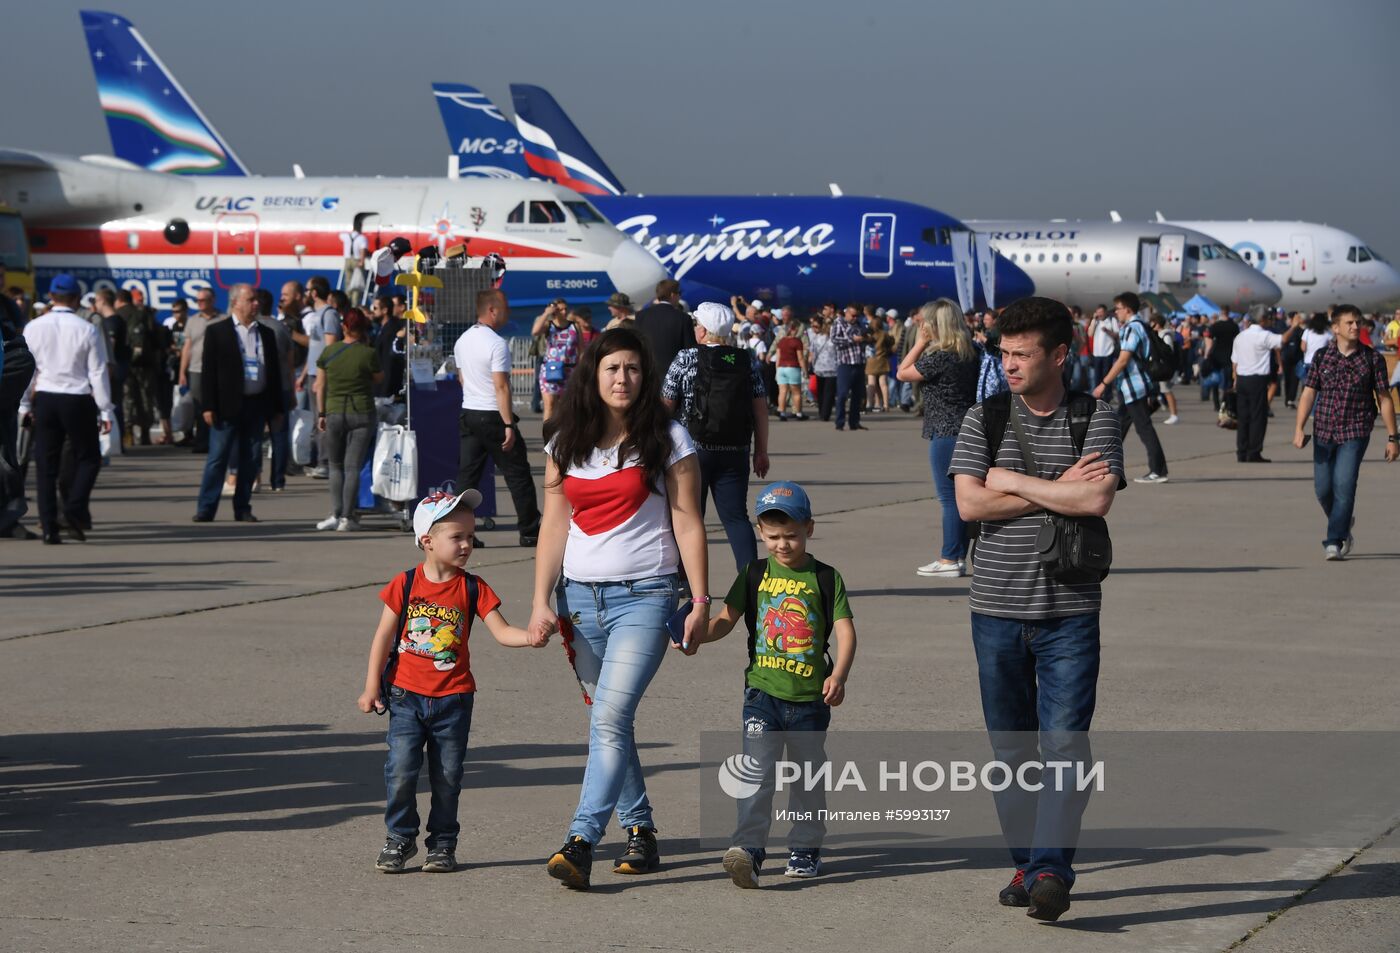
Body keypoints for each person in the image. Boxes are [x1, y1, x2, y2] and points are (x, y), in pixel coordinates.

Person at [951, 295, 1124, 923]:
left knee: (1066, 746)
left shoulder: (1096, 416)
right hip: (995, 610)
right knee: (1011, 754)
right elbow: (969, 505)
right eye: (1004, 353)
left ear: (1059, 354)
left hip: (1070, 612)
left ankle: (1051, 869)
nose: (1010, 365)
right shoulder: (985, 417)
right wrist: (1057, 489)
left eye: (1023, 354)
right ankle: (1026, 863)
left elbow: (1096, 499)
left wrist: (1011, 481)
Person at [528, 326, 710, 891]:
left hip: (647, 597)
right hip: (580, 602)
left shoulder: (668, 438)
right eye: (612, 368)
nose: (622, 378)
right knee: (610, 719)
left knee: (608, 718)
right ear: (594, 375)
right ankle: (641, 831)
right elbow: (553, 526)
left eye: (632, 368)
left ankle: (580, 840)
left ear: (644, 375)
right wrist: (539, 599)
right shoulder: (565, 441)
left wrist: (700, 599)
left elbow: (688, 521)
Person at [356, 489, 547, 874]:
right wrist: (371, 685)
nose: (467, 545)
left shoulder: (473, 587)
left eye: (470, 536)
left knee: (447, 777)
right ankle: (399, 838)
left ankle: (442, 844)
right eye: (457, 536)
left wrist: (529, 637)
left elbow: (502, 631)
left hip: (454, 700)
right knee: (400, 771)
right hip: (406, 696)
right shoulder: (405, 583)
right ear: (427, 540)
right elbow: (383, 636)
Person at [688, 480, 857, 886]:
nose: (783, 544)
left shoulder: (825, 577)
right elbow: (725, 620)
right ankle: (748, 850)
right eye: (774, 536)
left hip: (810, 701)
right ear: (760, 532)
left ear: (809, 528)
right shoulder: (754, 574)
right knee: (757, 774)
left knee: (806, 779)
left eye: (792, 535)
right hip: (761, 695)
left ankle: (805, 846)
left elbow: (846, 631)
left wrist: (839, 675)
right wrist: (697, 635)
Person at [662, 302, 771, 571]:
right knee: (736, 518)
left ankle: (686, 581)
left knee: (689, 517)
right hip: (735, 450)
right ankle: (750, 579)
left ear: (703, 330)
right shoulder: (745, 360)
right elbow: (760, 410)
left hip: (691, 451)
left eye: (697, 324)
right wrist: (761, 451)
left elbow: (666, 404)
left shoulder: (686, 358)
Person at [1292, 304, 1398, 560]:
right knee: (1322, 490)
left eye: (1357, 322)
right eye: (1349, 323)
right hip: (1324, 430)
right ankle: (1343, 522)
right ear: (1336, 328)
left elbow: (1384, 398)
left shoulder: (1372, 358)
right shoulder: (1322, 357)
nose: (1355, 326)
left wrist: (1393, 437)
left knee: (1344, 484)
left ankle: (1334, 541)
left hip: (1356, 429)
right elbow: (1308, 393)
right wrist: (1299, 428)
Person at [17, 274, 114, 544]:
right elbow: (97, 372)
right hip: (77, 397)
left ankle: (49, 527)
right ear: (76, 299)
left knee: (46, 464)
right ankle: (73, 507)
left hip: (46, 396)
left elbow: (27, 369)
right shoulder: (86, 328)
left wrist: (24, 404)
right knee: (89, 457)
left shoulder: (34, 327)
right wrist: (105, 409)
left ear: (51, 296)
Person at [897, 299, 980, 577]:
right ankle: (957, 556)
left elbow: (902, 372)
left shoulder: (941, 356)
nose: (922, 327)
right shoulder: (969, 352)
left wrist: (920, 343)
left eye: (925, 323)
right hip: (968, 427)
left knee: (949, 498)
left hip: (945, 432)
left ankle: (949, 559)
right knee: (963, 496)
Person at [453, 289, 542, 547]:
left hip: (469, 412)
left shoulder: (462, 341)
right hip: (493, 414)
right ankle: (529, 530)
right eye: (505, 308)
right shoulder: (496, 343)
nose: (508, 313)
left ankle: (458, 532)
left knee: (467, 477)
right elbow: (501, 386)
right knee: (517, 474)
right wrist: (508, 424)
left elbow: (462, 379)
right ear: (492, 311)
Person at [192, 284, 284, 523]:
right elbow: (208, 372)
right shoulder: (218, 331)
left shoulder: (266, 333)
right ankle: (206, 508)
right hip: (226, 406)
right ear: (236, 302)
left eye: (256, 300)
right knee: (218, 457)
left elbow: (274, 373)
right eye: (251, 300)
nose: (256, 304)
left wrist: (277, 408)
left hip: (256, 404)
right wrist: (208, 406)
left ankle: (242, 507)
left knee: (251, 458)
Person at [314, 308, 383, 531]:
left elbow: (320, 386)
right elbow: (379, 378)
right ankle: (347, 517)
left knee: (335, 465)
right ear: (363, 328)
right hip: (362, 411)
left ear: (344, 326)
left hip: (334, 411)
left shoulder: (329, 352)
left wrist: (321, 413)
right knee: (353, 466)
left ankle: (335, 513)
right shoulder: (368, 353)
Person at [1092, 293, 1168, 483]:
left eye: (1118, 309)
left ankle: (1158, 471)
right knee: (1119, 426)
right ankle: (1105, 465)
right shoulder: (1138, 326)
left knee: (1144, 428)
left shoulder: (1132, 328)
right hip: (1130, 387)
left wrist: (1103, 383)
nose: (1116, 312)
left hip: (1134, 386)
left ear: (1127, 309)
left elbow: (1123, 360)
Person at [1231, 312, 1300, 463]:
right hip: (1257, 379)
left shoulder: (1240, 336)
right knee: (1258, 416)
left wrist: (1235, 378)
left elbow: (1234, 361)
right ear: (1262, 319)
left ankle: (1241, 451)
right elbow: (1282, 340)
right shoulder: (1263, 335)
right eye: (1268, 318)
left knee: (1243, 417)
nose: (1270, 321)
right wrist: (1293, 327)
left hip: (1242, 379)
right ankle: (1254, 452)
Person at [299, 277, 343, 478]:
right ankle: (319, 460)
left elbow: (329, 348)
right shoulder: (317, 314)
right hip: (313, 373)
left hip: (321, 375)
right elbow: (314, 348)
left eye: (307, 289)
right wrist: (304, 374)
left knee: (323, 419)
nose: (305, 293)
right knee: (316, 419)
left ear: (314, 292)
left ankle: (325, 462)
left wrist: (321, 377)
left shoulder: (329, 314)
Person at [179, 286, 224, 453]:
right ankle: (202, 441)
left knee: (217, 405)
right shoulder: (192, 321)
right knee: (199, 407)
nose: (199, 303)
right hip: (196, 369)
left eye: (203, 300)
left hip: (218, 369)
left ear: (212, 300)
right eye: (197, 300)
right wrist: (182, 372)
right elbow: (187, 347)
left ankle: (217, 441)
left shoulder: (223, 319)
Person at [531, 298, 583, 420]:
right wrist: (546, 313)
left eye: (565, 309)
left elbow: (582, 349)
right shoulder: (549, 325)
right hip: (551, 369)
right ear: (555, 311)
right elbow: (535, 331)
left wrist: (582, 368)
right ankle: (548, 431)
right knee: (550, 404)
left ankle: (565, 431)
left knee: (567, 407)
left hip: (569, 370)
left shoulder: (575, 326)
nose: (564, 312)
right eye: (560, 309)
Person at [633, 278, 692, 376]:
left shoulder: (641, 316)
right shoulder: (683, 318)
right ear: (672, 295)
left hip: (646, 373)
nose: (680, 296)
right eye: (679, 293)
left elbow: (635, 344)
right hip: (673, 376)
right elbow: (689, 351)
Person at [831, 304, 868, 431]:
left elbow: (866, 337)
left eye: (857, 316)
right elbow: (834, 339)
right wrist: (852, 339)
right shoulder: (839, 323)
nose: (855, 318)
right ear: (846, 313)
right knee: (842, 394)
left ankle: (854, 422)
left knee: (857, 395)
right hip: (845, 363)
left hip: (859, 362)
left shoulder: (860, 324)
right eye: (853, 315)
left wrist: (865, 338)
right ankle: (839, 422)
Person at [769, 318, 808, 421]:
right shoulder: (797, 342)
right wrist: (805, 370)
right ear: (793, 329)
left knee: (782, 392)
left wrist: (777, 370)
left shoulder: (781, 341)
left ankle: (782, 413)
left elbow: (778, 357)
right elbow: (800, 358)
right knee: (796, 392)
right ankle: (799, 413)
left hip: (781, 368)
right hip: (793, 368)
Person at [1147, 313, 1180, 425]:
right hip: (1156, 366)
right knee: (1155, 391)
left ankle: (1174, 414)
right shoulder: (1156, 335)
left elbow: (1168, 352)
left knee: (1166, 390)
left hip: (1163, 367)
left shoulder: (1165, 335)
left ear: (1157, 324)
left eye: (1152, 323)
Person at [807, 313, 838, 422]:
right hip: (833, 368)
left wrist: (811, 365)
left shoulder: (817, 338)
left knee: (820, 392)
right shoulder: (835, 339)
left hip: (819, 368)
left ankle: (822, 412)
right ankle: (826, 413)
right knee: (829, 392)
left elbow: (812, 353)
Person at [865, 314, 892, 413]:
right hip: (882, 360)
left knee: (871, 383)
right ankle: (886, 405)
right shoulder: (884, 334)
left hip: (871, 360)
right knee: (883, 384)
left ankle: (869, 404)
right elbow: (891, 343)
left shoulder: (869, 335)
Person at [1087, 304, 1118, 389]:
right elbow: (1090, 334)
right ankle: (1097, 394)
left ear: (1105, 312)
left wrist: (1107, 331)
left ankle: (1107, 394)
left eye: (1101, 312)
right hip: (1097, 354)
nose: (1099, 314)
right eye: (1098, 312)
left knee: (1106, 377)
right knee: (1097, 377)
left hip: (1108, 352)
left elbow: (1116, 335)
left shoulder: (1112, 320)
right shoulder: (1095, 321)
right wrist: (1094, 319)